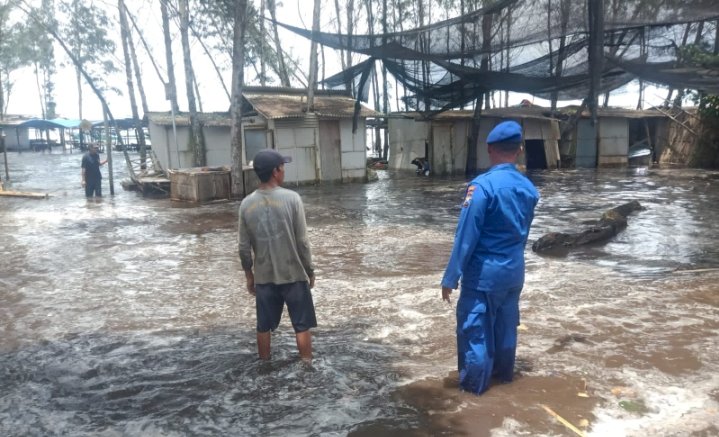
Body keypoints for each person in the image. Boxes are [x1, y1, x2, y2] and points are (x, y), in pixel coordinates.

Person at [440, 120, 539, 395]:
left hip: (484, 277)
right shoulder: (529, 189)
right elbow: (523, 233)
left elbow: (466, 237)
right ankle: (505, 387)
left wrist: (451, 277)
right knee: (506, 331)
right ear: (519, 150)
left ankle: (474, 397)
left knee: (476, 335)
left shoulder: (482, 187)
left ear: (489, 149)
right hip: (514, 273)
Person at [238, 149, 317, 361]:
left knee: (263, 327)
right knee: (301, 326)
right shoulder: (292, 199)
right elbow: (302, 241)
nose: (284, 171)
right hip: (293, 275)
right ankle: (307, 368)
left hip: (265, 278)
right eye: (282, 167)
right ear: (275, 171)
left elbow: (243, 247)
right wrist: (310, 270)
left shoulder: (246, 204)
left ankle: (264, 367)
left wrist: (249, 276)